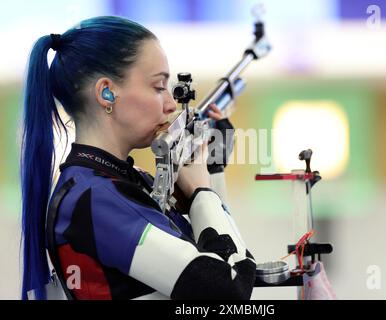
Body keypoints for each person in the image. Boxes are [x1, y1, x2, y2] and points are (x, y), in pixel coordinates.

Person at [20, 16, 255, 300]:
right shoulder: (95, 198)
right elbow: (227, 289)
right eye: (159, 87)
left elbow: (230, 258)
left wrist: (212, 169)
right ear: (107, 92)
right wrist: (201, 192)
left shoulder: (118, 184)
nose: (170, 104)